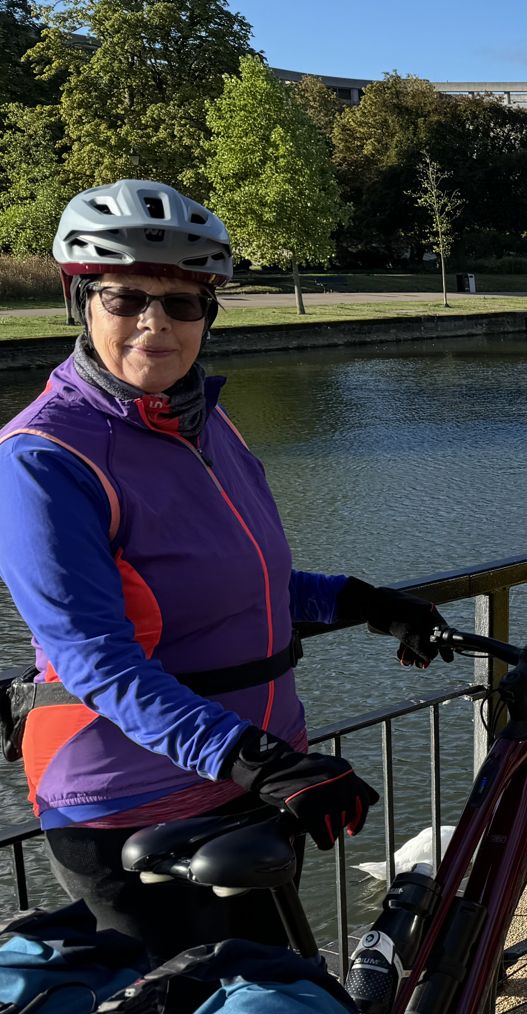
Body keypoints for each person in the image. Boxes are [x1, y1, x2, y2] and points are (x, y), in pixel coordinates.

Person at [0, 181, 443, 964]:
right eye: (126, 298)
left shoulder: (206, 421)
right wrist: (260, 760)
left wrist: (364, 601)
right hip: (130, 807)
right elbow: (94, 657)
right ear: (80, 299)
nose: (154, 325)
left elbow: (244, 581)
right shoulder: (44, 456)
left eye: (183, 304)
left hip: (252, 784)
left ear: (211, 310)